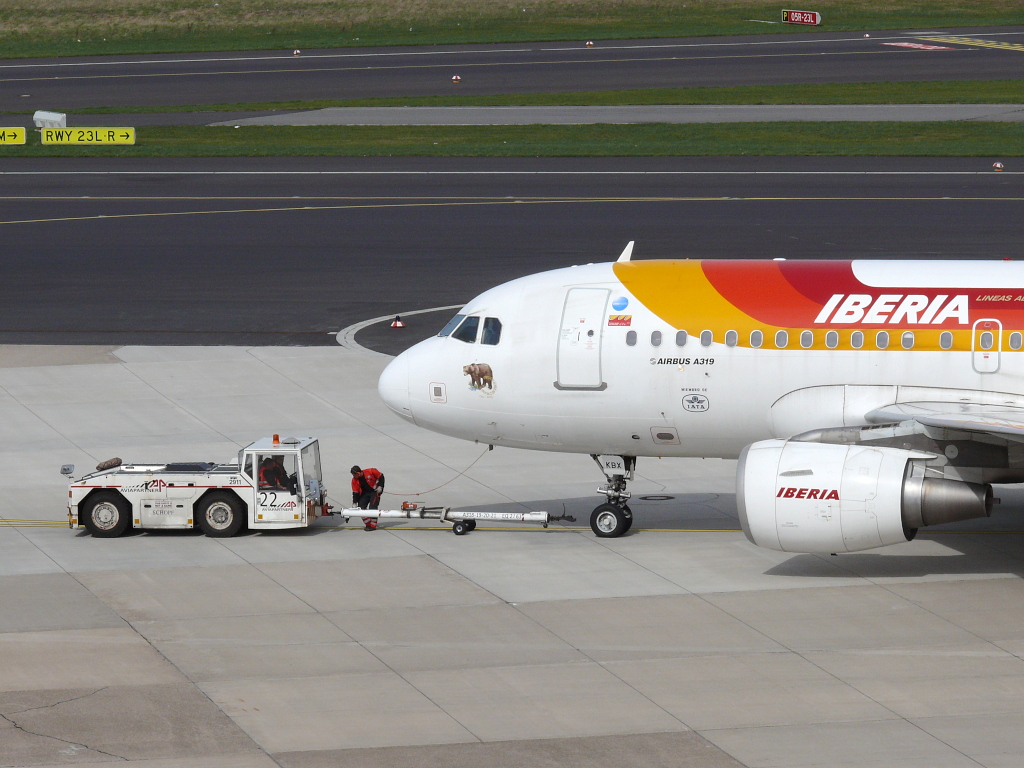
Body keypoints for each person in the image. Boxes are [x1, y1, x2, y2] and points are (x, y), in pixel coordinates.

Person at [351, 465, 385, 531]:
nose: (353, 477)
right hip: (364, 493)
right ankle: (368, 524)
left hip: (374, 492)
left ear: (358, 473)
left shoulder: (370, 471)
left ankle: (373, 525)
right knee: (360, 508)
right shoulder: (354, 480)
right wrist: (354, 502)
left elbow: (381, 476)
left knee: (373, 508)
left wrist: (380, 487)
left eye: (354, 475)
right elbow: (355, 492)